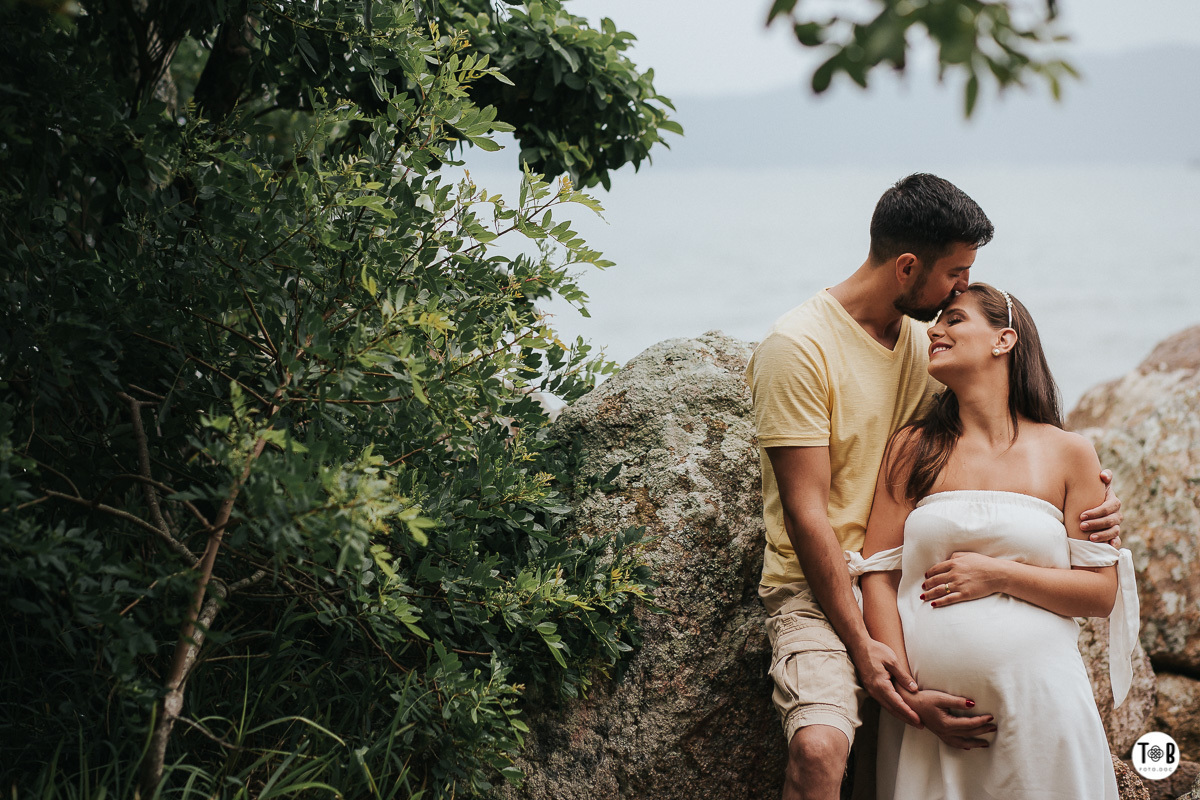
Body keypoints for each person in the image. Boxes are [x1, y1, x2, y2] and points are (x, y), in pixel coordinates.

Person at [745, 173, 1123, 800]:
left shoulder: (929, 343)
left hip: (906, 599)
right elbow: (807, 515)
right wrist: (867, 649)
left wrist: (1095, 497)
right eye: (955, 274)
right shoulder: (800, 346)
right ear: (908, 266)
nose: (963, 287)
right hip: (819, 586)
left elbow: (1003, 422)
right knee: (819, 749)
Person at [859, 283, 1139, 799]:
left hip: (1042, 708)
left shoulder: (1069, 453)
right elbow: (877, 574)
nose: (935, 330)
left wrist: (997, 575)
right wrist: (908, 697)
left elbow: (1100, 595)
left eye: (955, 319)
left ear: (1003, 339)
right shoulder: (913, 447)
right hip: (932, 724)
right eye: (935, 321)